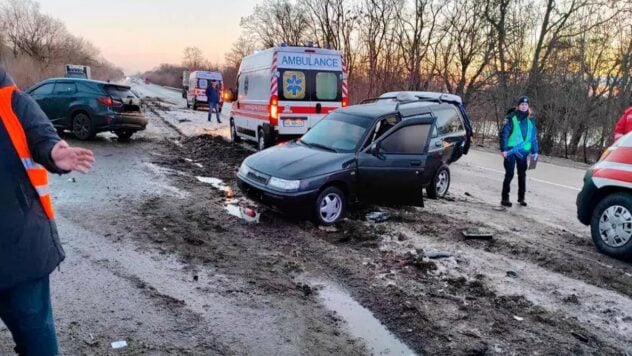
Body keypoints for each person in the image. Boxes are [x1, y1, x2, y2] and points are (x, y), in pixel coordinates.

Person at [0, 66, 95, 355]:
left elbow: (41, 136)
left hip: (19, 248)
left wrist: (56, 152)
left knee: (37, 338)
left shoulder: (14, 102)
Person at [499, 95, 539, 207]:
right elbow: (504, 134)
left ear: (528, 106)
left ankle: (521, 198)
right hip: (511, 151)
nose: (524, 106)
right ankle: (505, 198)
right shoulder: (511, 118)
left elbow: (533, 137)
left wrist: (535, 151)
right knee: (509, 174)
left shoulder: (531, 120)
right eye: (522, 104)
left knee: (522, 174)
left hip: (523, 152)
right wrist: (503, 149)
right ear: (518, 106)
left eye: (526, 104)